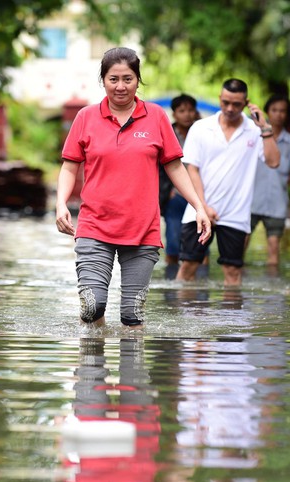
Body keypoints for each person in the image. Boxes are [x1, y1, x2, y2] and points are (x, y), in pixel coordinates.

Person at [55, 47, 211, 329]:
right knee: (92, 306)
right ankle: (92, 363)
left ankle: (132, 366)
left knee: (132, 316)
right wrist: (61, 203)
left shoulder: (156, 117)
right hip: (94, 224)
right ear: (103, 80)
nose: (120, 86)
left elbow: (175, 166)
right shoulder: (86, 117)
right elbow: (69, 166)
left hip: (142, 227)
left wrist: (198, 206)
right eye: (113, 79)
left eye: (128, 79)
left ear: (138, 79)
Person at [176, 78, 280, 286]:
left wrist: (265, 127)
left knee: (233, 272)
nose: (230, 108)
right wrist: (203, 207)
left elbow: (274, 161)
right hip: (199, 211)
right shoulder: (201, 127)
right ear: (219, 99)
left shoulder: (255, 130)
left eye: (236, 104)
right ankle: (186, 317)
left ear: (246, 103)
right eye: (226, 102)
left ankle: (232, 319)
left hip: (235, 214)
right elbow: (192, 169)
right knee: (188, 266)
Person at [247, 94, 290, 266]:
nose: (279, 114)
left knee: (273, 250)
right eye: (275, 110)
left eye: (283, 111)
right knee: (239, 246)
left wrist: (281, 186)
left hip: (278, 203)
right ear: (267, 112)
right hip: (250, 201)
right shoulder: (253, 137)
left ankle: (273, 287)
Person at [159, 94, 199, 271]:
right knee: (174, 239)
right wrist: (166, 192)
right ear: (174, 114)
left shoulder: (202, 134)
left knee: (200, 241)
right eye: (182, 111)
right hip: (174, 195)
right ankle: (171, 281)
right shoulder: (166, 134)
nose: (187, 114)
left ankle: (199, 282)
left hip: (199, 195)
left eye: (190, 110)